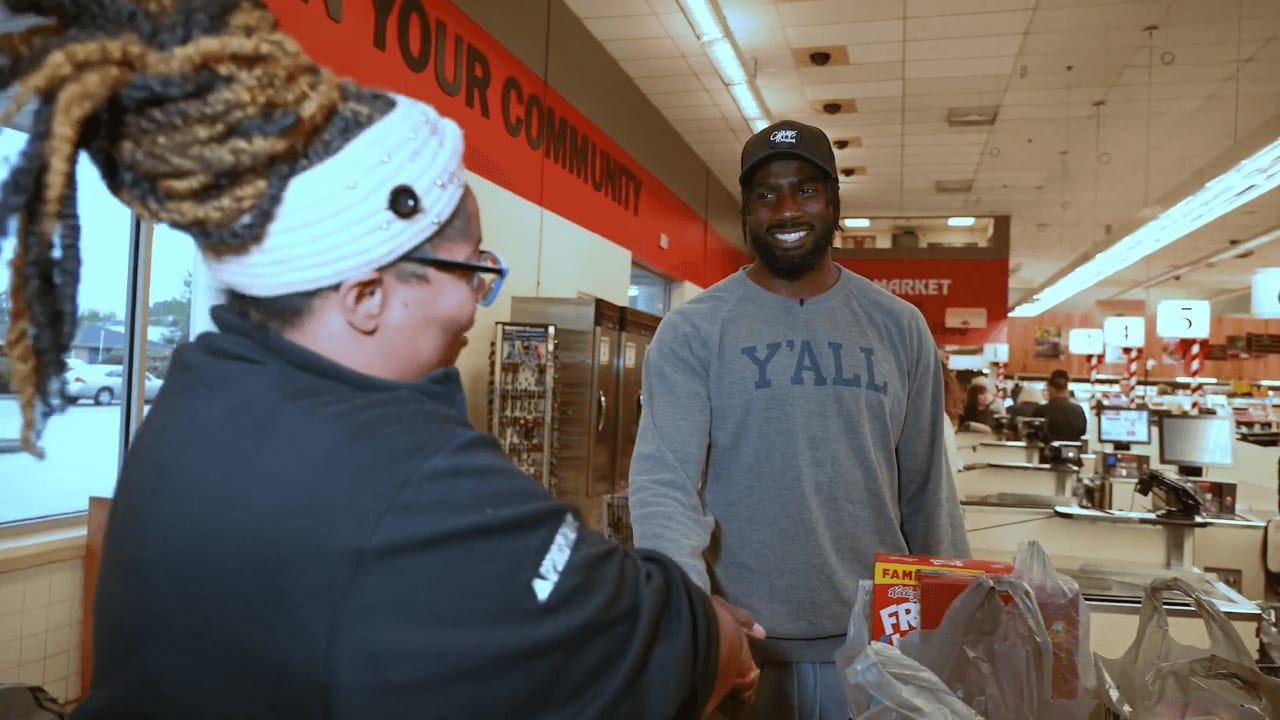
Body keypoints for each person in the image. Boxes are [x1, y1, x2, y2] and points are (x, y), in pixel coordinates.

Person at [0, 2, 761, 717]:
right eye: (472, 272)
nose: (476, 304)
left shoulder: (203, 392)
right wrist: (720, 635)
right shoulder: (415, 486)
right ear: (365, 296)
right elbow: (653, 656)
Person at [627, 118, 969, 719]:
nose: (786, 209)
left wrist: (953, 622)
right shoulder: (694, 330)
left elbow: (926, 492)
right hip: (745, 649)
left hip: (877, 647)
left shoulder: (898, 326)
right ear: (747, 211)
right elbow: (665, 486)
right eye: (766, 195)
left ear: (833, 203)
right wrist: (691, 618)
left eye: (806, 190)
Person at [1034, 372, 1088, 442]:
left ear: (1050, 389)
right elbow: (1082, 432)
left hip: (1047, 451)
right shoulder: (1078, 410)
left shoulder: (1041, 410)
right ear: (1066, 389)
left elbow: (1034, 434)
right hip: (1073, 450)